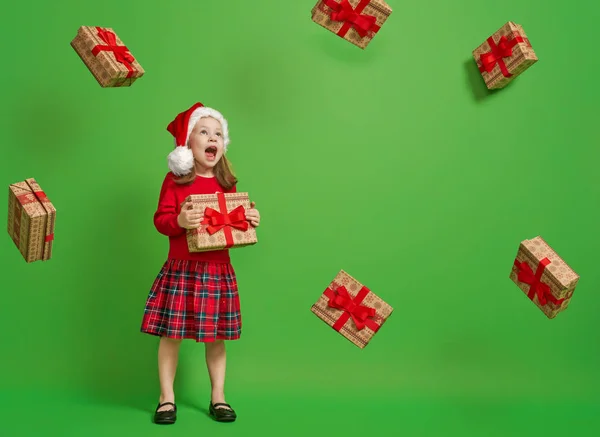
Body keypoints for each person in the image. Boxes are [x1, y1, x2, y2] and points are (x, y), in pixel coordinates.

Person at [140, 102, 260, 425]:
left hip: (217, 270)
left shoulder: (227, 183)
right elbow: (161, 220)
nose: (213, 138)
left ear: (223, 145)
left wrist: (249, 218)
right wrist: (179, 219)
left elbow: (233, 225)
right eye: (204, 132)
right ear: (188, 144)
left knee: (216, 336)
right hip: (182, 269)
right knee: (171, 335)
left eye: (218, 134)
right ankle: (167, 398)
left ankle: (217, 396)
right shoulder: (175, 181)